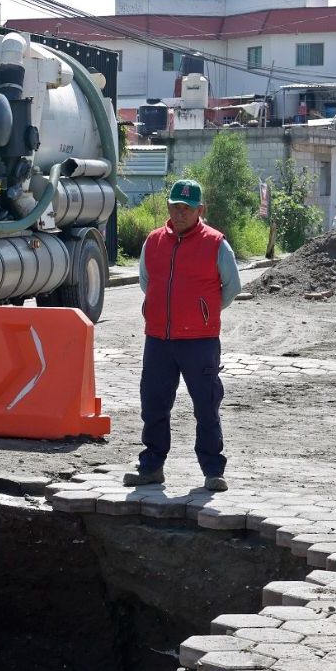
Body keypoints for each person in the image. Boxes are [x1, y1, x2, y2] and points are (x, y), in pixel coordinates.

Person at [123, 179, 242, 492]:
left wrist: (204, 313)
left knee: (206, 404)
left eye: (186, 208)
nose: (179, 213)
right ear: (168, 207)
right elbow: (146, 282)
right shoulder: (154, 241)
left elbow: (232, 288)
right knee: (154, 404)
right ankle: (151, 467)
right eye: (175, 206)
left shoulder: (216, 243)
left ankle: (213, 471)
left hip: (200, 341)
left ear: (199, 210)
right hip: (159, 339)